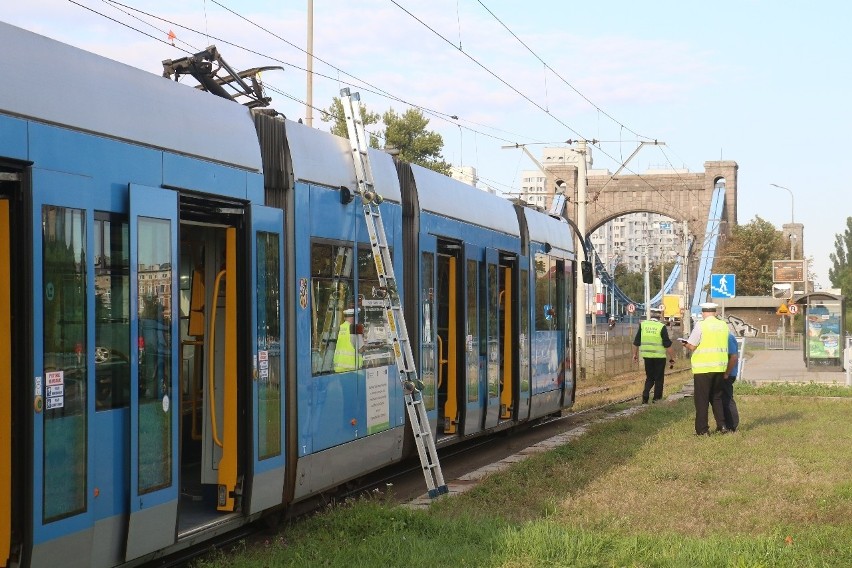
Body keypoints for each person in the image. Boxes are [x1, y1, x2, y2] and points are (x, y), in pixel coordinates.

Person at [681, 302, 729, 435]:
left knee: (702, 400)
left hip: (703, 368)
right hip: (720, 367)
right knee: (717, 397)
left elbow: (692, 345)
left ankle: (702, 430)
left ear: (703, 313)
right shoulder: (723, 325)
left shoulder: (701, 325)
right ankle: (722, 426)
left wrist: (685, 343)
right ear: (715, 312)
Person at [632, 307, 676, 404]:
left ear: (650, 315)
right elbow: (667, 344)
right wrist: (672, 357)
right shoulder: (661, 326)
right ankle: (657, 399)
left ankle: (645, 395)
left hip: (647, 356)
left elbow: (636, 342)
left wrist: (634, 354)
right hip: (659, 357)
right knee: (659, 379)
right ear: (659, 316)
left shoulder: (643, 325)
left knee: (649, 377)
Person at [721, 332, 740, 432]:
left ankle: (732, 425)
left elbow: (733, 357)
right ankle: (725, 424)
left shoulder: (727, 337)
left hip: (728, 373)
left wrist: (727, 373)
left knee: (727, 399)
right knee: (722, 398)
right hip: (726, 372)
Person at [333, 307, 362, 372]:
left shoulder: (341, 327)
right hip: (352, 369)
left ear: (345, 318)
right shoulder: (356, 328)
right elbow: (361, 349)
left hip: (339, 368)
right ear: (354, 317)